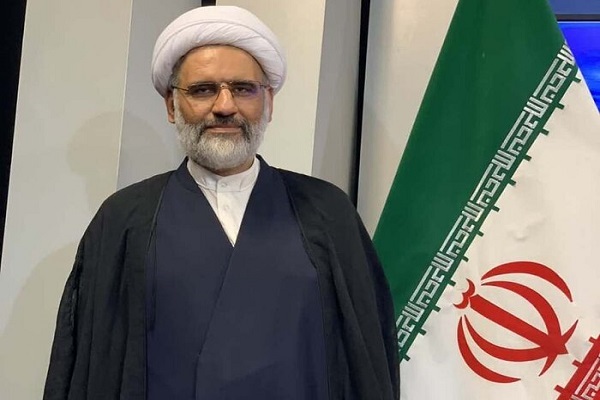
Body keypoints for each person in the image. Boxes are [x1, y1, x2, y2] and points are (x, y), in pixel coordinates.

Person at [43, 6, 398, 400]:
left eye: (243, 89)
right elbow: (90, 367)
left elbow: (366, 363)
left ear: (268, 102)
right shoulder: (124, 218)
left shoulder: (327, 212)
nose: (225, 106)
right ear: (171, 106)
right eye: (203, 90)